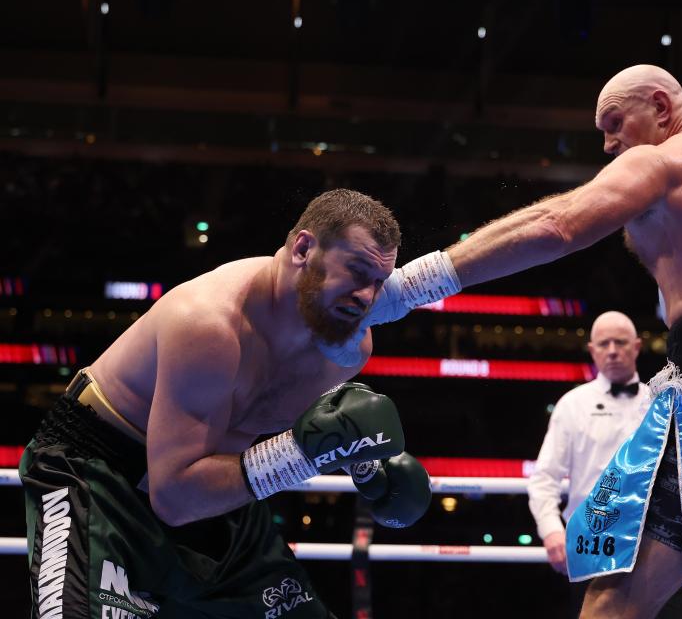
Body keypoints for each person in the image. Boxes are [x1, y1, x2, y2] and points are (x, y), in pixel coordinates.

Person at [338, 65, 682, 618]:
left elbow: (557, 224)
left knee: (614, 599)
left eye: (614, 122)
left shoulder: (661, 160)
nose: (608, 144)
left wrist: (410, 287)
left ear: (661, 106)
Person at [19, 189, 433, 619]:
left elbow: (305, 419)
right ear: (304, 249)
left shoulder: (341, 344)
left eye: (378, 281)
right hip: (98, 476)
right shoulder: (209, 323)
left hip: (216, 489)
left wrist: (366, 465)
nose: (367, 296)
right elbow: (176, 497)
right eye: (356, 271)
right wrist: (301, 454)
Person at [528, 311, 652, 616]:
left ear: (636, 347)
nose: (612, 350)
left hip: (651, 543)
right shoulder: (573, 404)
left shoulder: (658, 401)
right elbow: (544, 476)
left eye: (620, 342)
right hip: (589, 543)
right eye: (604, 343)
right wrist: (551, 530)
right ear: (592, 350)